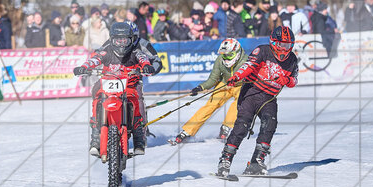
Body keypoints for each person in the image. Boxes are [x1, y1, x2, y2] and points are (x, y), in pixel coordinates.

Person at [216, 26, 298, 177]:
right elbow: (248, 66)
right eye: (281, 44)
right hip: (251, 92)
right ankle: (225, 160)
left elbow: (294, 80)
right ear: (273, 42)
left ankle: (256, 162)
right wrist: (236, 77)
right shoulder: (262, 50)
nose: (284, 49)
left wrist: (286, 79)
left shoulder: (292, 59)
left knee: (270, 125)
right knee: (242, 126)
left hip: (269, 98)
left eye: (287, 45)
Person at [73, 21, 161, 158]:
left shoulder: (135, 51)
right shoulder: (106, 51)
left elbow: (144, 58)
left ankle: (139, 138)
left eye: (124, 40)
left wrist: (146, 66)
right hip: (109, 85)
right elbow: (95, 58)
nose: (121, 44)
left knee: (137, 101)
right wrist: (85, 67)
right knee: (97, 96)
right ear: (112, 39)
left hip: (130, 85)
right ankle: (96, 136)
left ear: (130, 40)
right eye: (117, 40)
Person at [170, 38, 246, 145]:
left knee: (239, 102)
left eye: (228, 55)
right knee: (210, 105)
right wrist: (200, 87)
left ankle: (226, 127)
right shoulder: (220, 60)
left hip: (240, 86)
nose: (225, 58)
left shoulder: (246, 60)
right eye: (224, 55)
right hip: (225, 84)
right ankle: (187, 131)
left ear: (236, 52)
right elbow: (213, 79)